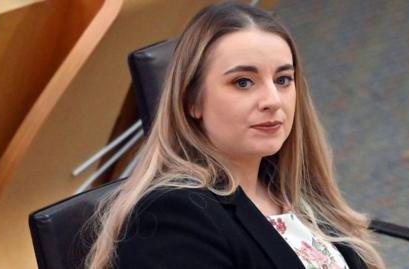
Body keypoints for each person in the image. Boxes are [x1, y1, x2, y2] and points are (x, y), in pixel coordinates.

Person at [85, 2, 385, 268]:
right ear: (192, 100)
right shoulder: (172, 217)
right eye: (243, 82)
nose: (272, 100)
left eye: (283, 79)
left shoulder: (286, 187)